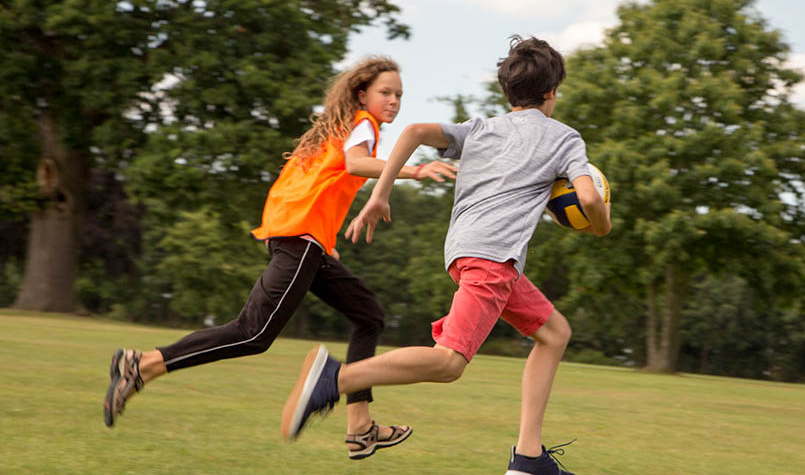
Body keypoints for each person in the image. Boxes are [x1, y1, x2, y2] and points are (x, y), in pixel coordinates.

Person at [280, 36, 612, 475]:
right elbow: (587, 196)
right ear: (552, 92)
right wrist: (602, 222)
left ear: (508, 91)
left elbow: (415, 132)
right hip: (492, 260)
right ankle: (335, 379)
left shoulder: (481, 128)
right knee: (449, 362)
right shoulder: (565, 139)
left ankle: (529, 456)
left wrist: (380, 194)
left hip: (469, 253)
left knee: (554, 333)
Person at [104, 56, 457, 460]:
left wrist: (322, 236)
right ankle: (143, 364)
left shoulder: (338, 127)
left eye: (398, 95)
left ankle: (360, 428)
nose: (393, 101)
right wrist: (414, 171)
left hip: (306, 242)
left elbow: (314, 183)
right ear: (362, 94)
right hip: (300, 242)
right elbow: (355, 163)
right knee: (252, 333)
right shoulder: (363, 124)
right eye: (386, 93)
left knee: (369, 314)